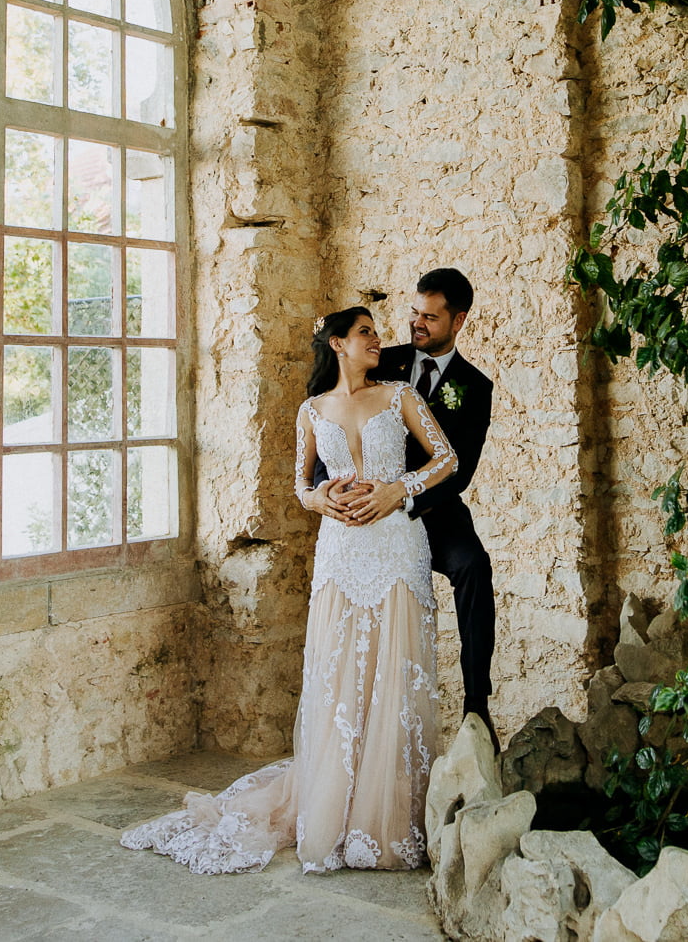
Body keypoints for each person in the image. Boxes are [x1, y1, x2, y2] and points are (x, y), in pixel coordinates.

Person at [121, 306, 458, 873]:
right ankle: (333, 805)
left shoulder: (400, 395)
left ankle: (387, 814)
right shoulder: (311, 410)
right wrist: (321, 498)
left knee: (395, 671)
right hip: (341, 551)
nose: (377, 340)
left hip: (398, 546)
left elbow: (446, 458)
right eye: (365, 332)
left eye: (376, 332)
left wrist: (397, 490)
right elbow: (301, 485)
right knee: (339, 672)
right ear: (338, 344)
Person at [365, 269, 498, 747]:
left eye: (430, 317)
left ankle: (476, 704)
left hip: (435, 508)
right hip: (372, 504)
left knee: (474, 566)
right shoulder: (382, 363)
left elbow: (460, 471)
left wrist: (406, 498)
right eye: (414, 312)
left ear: (458, 321)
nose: (417, 323)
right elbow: (331, 411)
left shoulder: (475, 386)